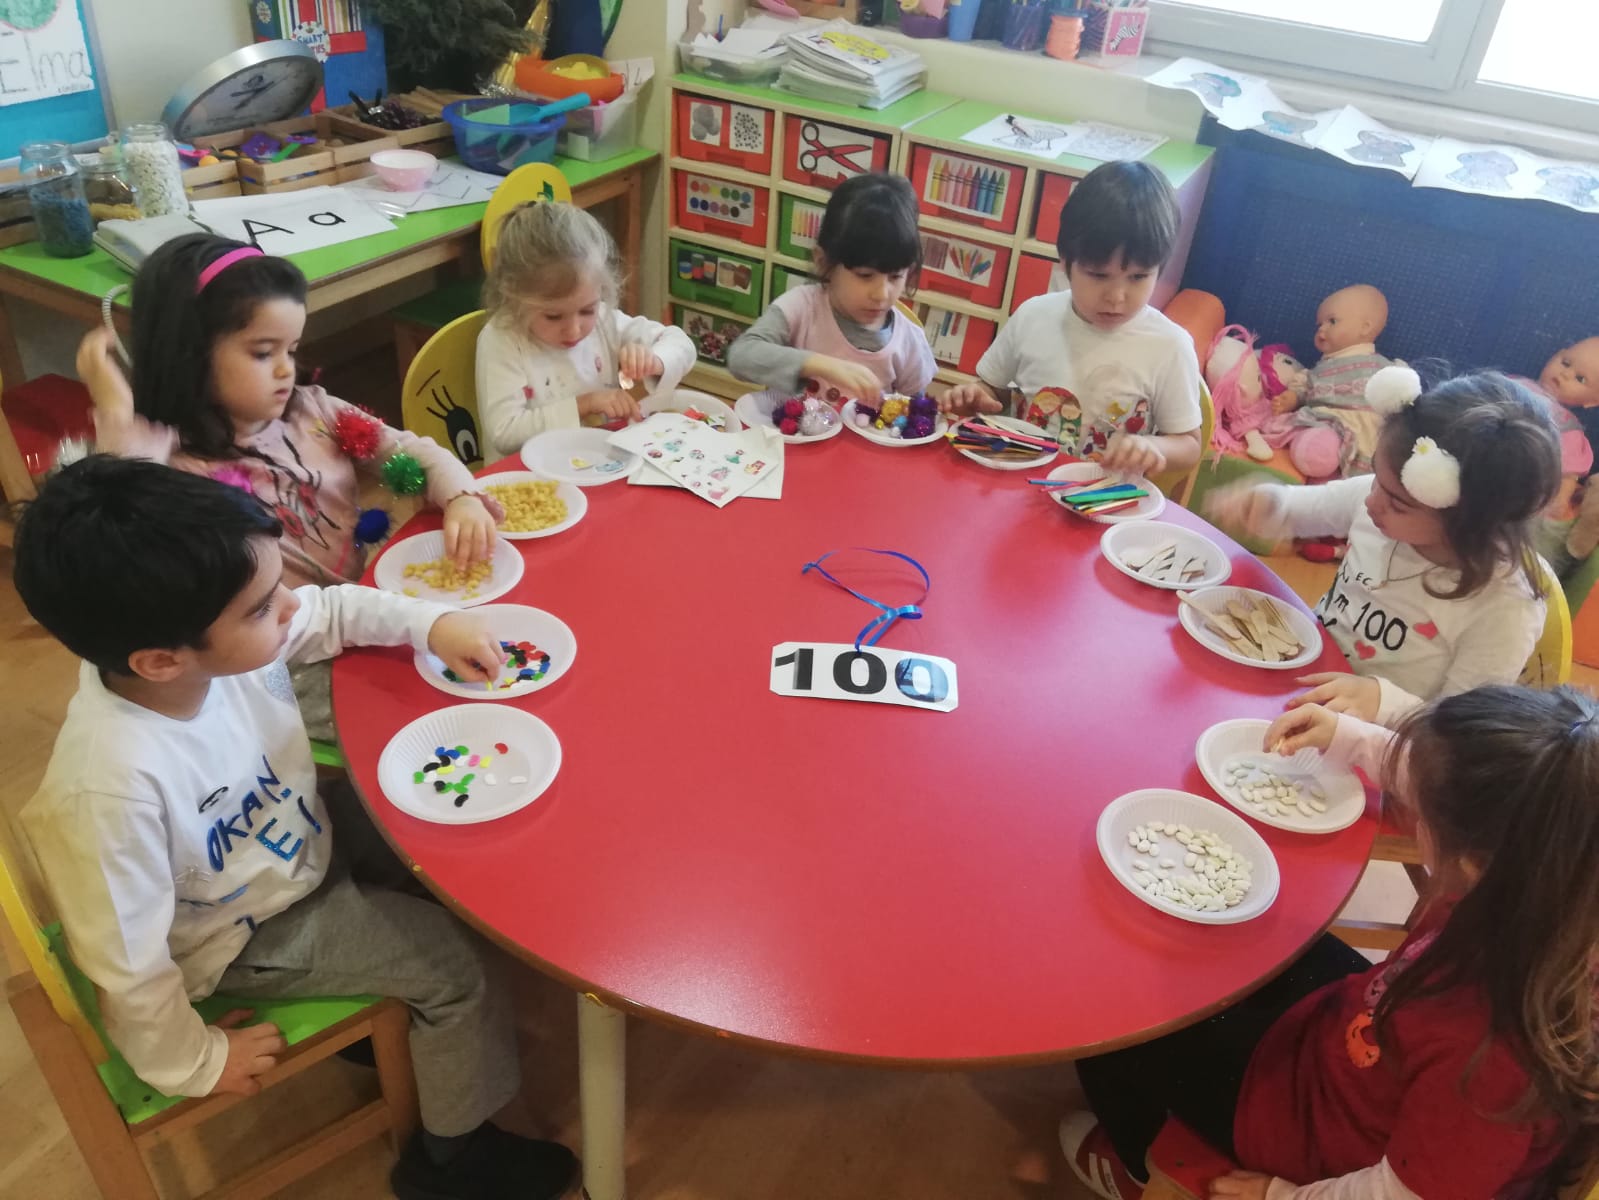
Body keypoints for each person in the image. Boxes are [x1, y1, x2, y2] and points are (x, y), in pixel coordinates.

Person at [15, 457, 577, 1200]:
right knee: (457, 969)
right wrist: (195, 1062)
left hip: (292, 849)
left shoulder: (217, 642)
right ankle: (453, 1160)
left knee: (437, 843)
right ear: (160, 661)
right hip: (239, 934)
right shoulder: (107, 791)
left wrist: (432, 623)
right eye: (261, 607)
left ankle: (405, 1025)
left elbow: (332, 611)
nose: (289, 607)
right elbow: (125, 963)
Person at [1062, 685, 1599, 1200]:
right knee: (1223, 946)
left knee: (1116, 1022)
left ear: (1474, 862)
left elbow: (1407, 1194)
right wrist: (1352, 739)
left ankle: (1131, 1161)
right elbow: (1448, 782)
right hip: (1351, 1036)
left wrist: (1281, 1195)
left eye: (1425, 814)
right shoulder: (1559, 870)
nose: (1416, 812)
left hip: (1313, 1137)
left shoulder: (1493, 1068)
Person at [77, 234, 501, 587]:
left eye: (292, 349)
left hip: (358, 609)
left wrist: (461, 499)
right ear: (190, 354)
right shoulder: (170, 463)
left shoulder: (315, 411)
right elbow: (123, 545)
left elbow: (409, 452)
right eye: (263, 353)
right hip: (278, 645)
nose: (286, 370)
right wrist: (117, 417)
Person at [1206, 367, 1562, 726]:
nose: (1371, 501)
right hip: (1298, 677)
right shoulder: (1380, 497)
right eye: (1377, 478)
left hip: (1376, 740)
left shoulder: (1506, 605)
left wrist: (1383, 703)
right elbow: (1300, 510)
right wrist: (1266, 505)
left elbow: (1458, 731)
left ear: (1469, 523)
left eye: (1398, 504)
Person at [939, 160, 1203, 479]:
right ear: (1065, 263)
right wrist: (976, 398)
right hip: (1019, 484)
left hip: (1101, 496)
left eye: (1138, 277)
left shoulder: (1169, 346)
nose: (1117, 296)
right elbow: (994, 391)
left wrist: (1154, 447)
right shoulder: (1033, 316)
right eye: (1098, 275)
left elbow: (1189, 445)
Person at [475, 200, 696, 457]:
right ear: (513, 298)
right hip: (529, 474)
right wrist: (585, 404)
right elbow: (505, 433)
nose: (574, 331)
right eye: (553, 316)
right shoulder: (502, 339)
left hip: (598, 462)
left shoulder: (604, 320)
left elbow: (682, 344)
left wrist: (655, 359)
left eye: (587, 310)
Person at [726, 172, 936, 405]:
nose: (881, 294)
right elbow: (740, 357)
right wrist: (818, 364)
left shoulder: (909, 342)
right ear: (823, 262)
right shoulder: (802, 307)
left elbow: (915, 413)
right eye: (865, 276)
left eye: (896, 276)